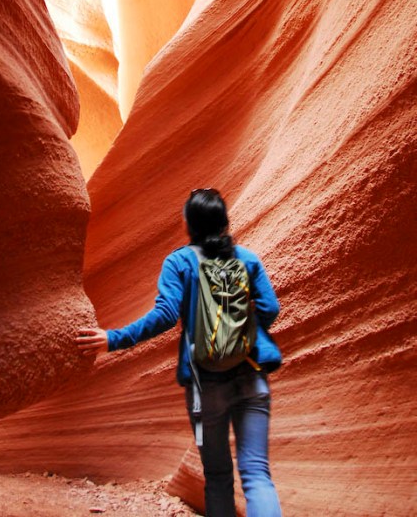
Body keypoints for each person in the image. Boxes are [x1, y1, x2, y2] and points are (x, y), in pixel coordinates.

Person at [76, 188, 282, 517]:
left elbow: (165, 316)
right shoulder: (248, 259)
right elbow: (271, 308)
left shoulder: (178, 262)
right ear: (224, 222)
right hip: (252, 375)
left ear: (188, 225)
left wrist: (113, 339)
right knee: (257, 474)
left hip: (204, 388)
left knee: (216, 476)